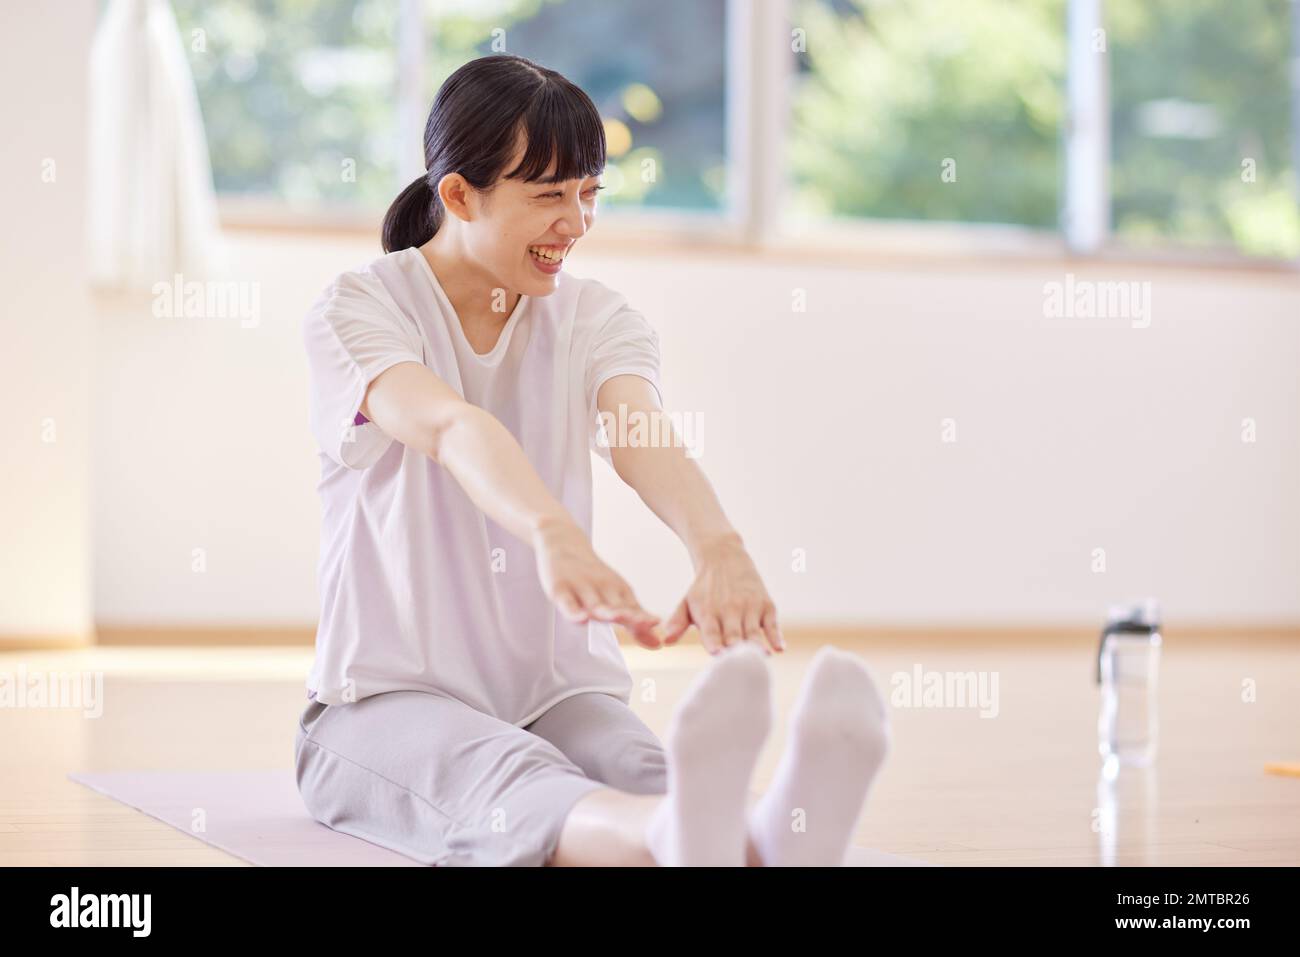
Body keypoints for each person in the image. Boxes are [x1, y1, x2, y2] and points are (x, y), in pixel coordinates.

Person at [294, 53, 889, 867]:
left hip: (554, 690)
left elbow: (641, 433)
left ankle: (772, 833)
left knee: (648, 772)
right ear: (460, 195)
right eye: (548, 196)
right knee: (516, 782)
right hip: (385, 702)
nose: (575, 223)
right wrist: (553, 531)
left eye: (588, 194)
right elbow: (449, 425)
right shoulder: (358, 307)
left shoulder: (594, 317)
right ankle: (704, 841)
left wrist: (719, 547)